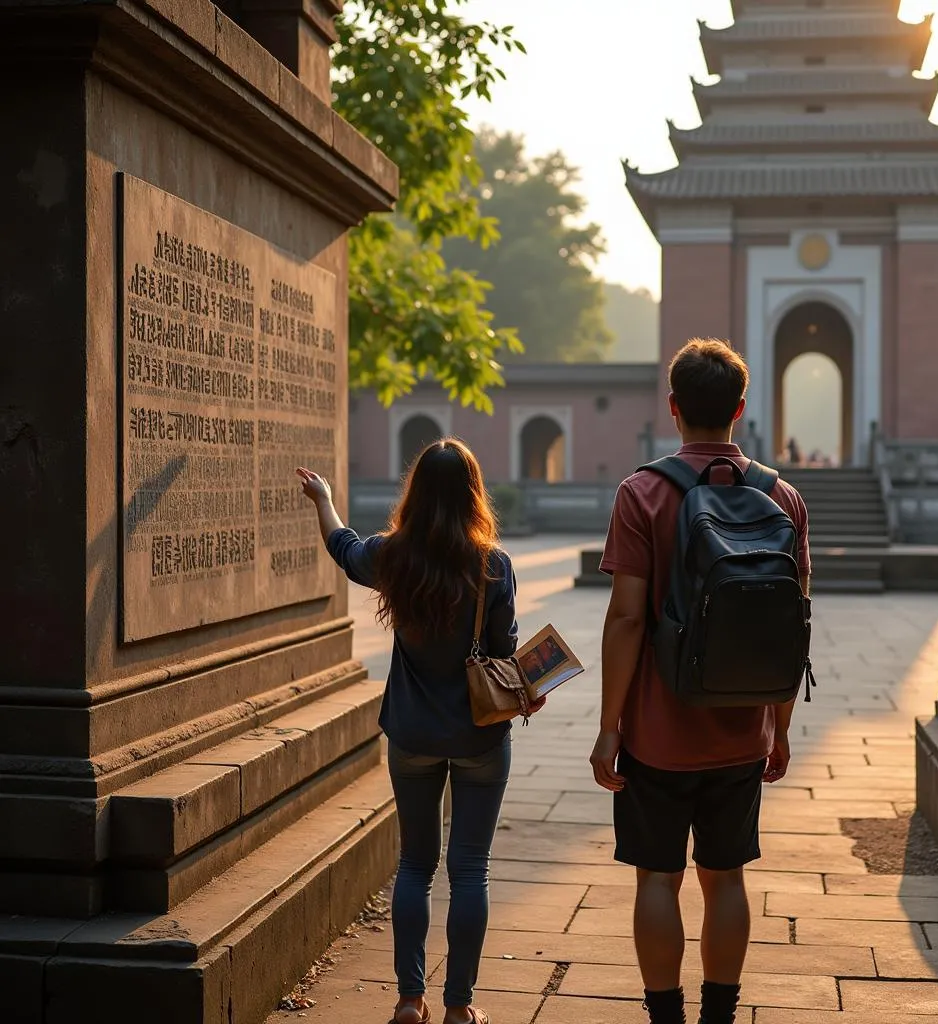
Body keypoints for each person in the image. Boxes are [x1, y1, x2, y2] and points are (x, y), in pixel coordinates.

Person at [589, 338, 811, 1024]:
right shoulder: (783, 496)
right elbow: (790, 622)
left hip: (658, 733)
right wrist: (780, 726)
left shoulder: (643, 492)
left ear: (674, 408)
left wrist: (608, 729)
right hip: (741, 730)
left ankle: (666, 1019)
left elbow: (627, 619)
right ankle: (720, 1016)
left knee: (659, 876)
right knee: (727, 878)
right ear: (740, 409)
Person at [298, 438, 539, 1024]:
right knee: (470, 869)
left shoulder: (392, 557)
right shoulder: (492, 566)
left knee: (413, 866)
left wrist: (323, 499)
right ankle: (459, 1008)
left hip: (410, 734)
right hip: (479, 736)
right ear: (473, 494)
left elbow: (342, 545)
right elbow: (505, 651)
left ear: (416, 492)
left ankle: (409, 1000)